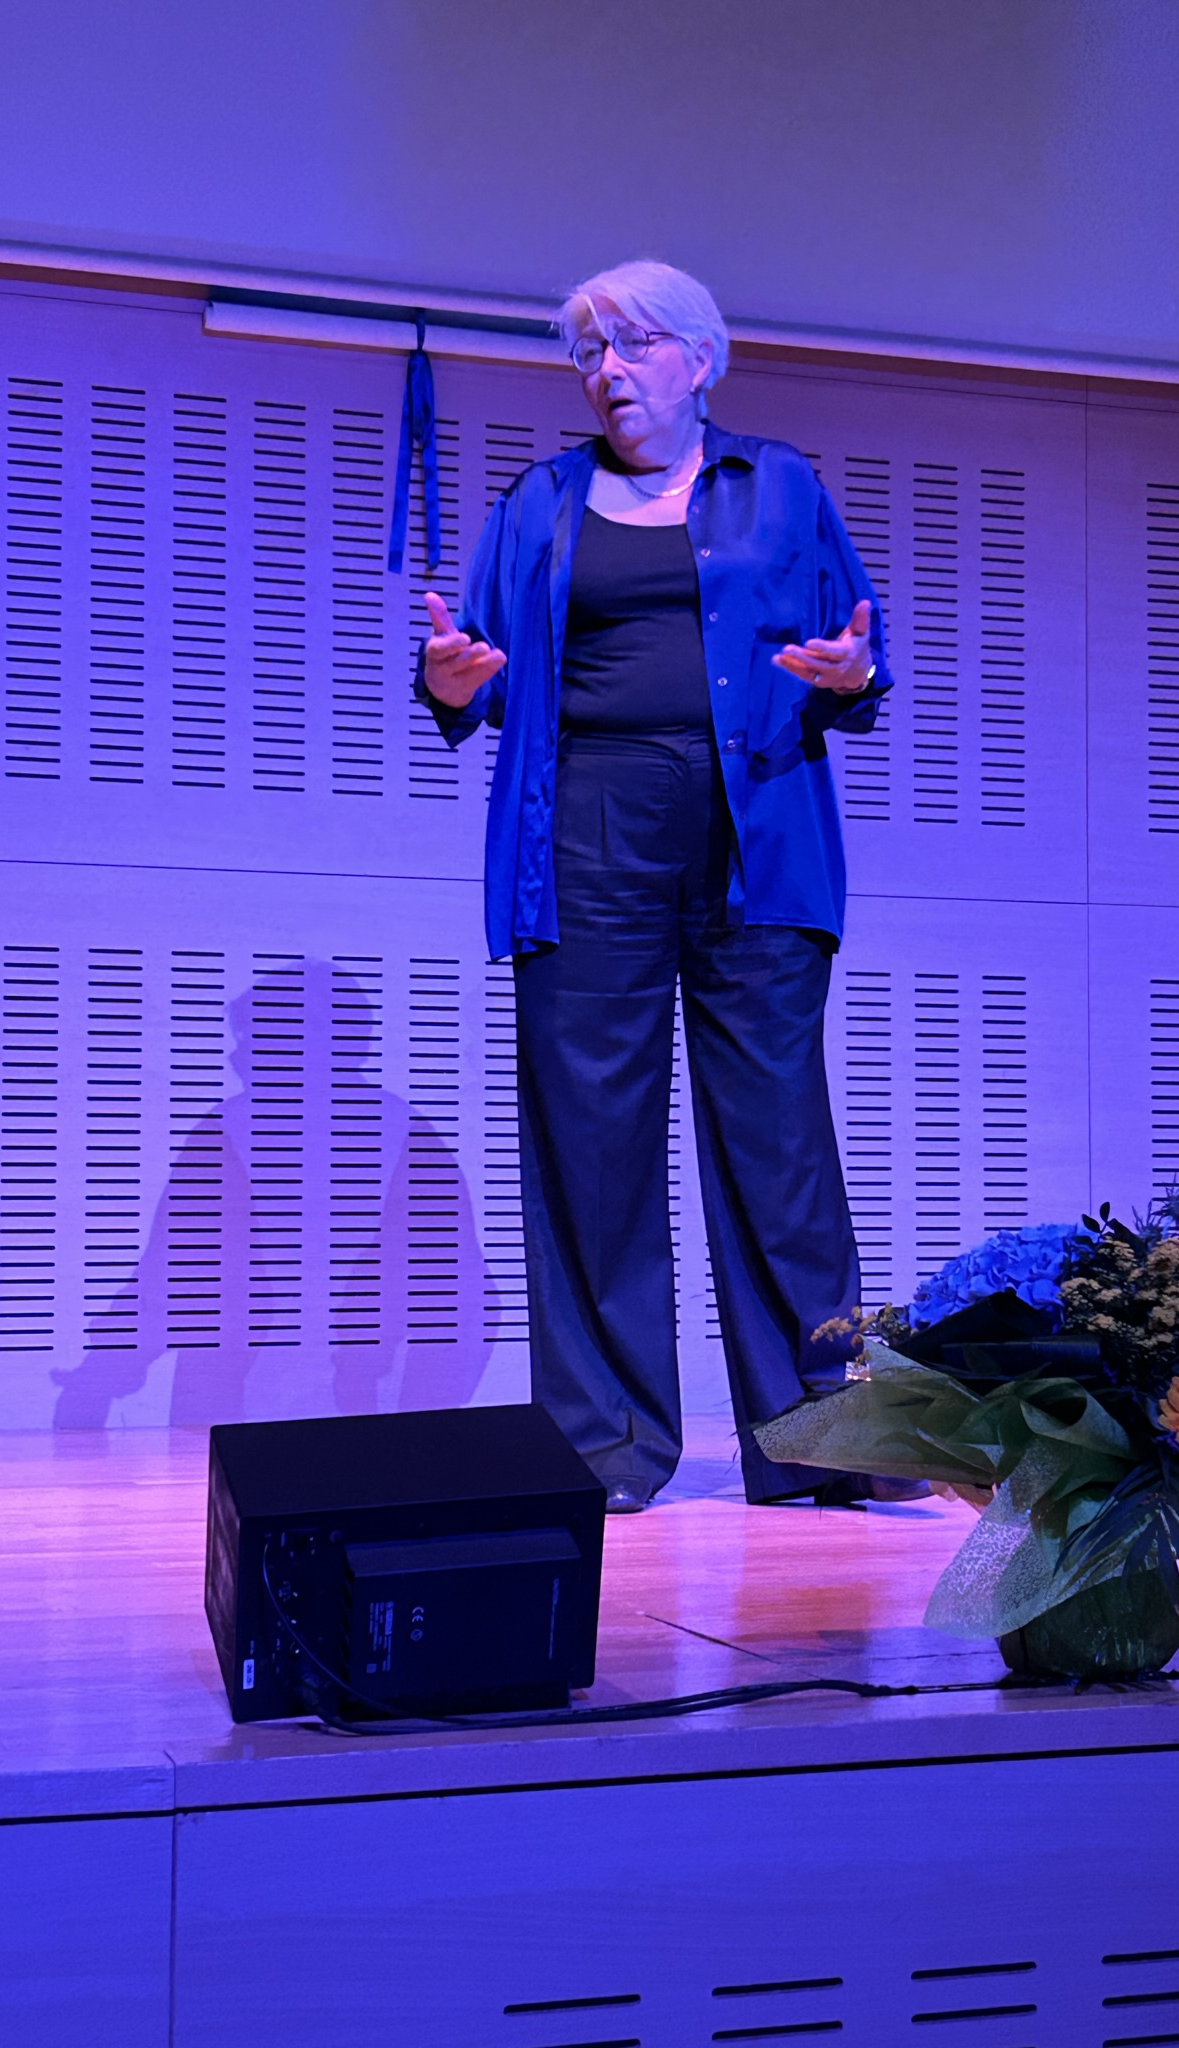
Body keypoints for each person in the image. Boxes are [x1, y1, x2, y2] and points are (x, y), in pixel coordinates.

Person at [417, 258, 901, 1512]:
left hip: (757, 831)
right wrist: (450, 680)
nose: (608, 371)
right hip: (584, 829)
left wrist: (852, 674)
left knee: (781, 1142)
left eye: (632, 345)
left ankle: (823, 1436)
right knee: (593, 1144)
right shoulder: (539, 501)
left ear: (701, 358)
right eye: (589, 351)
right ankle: (604, 1445)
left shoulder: (780, 485)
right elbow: (469, 658)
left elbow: (857, 649)